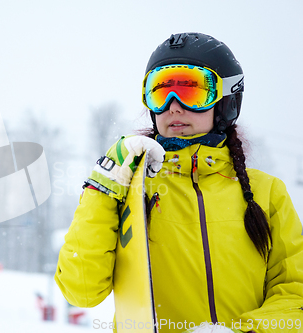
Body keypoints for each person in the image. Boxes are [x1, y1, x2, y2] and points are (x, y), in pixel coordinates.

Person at [54, 32, 303, 333]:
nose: (173, 106)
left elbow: (295, 292)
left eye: (192, 92)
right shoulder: (131, 188)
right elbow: (80, 289)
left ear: (226, 101)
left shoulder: (266, 193)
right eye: (161, 93)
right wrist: (105, 184)